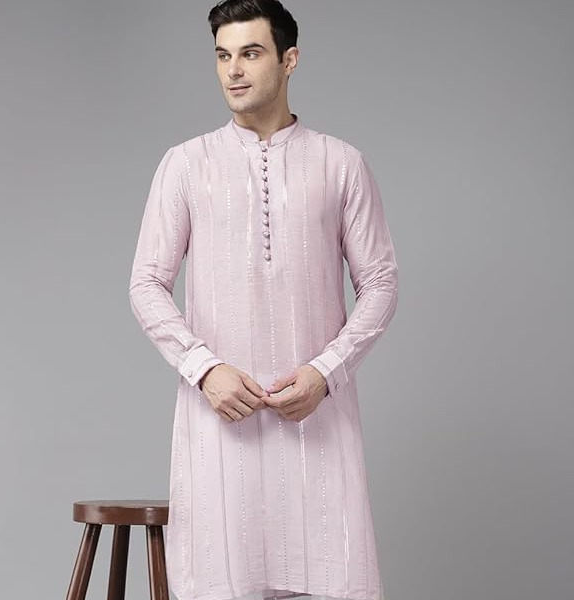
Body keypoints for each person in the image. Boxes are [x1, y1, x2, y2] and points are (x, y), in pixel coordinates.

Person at [128, 1, 399, 600]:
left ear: (289, 59)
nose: (233, 70)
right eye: (223, 56)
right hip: (219, 420)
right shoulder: (185, 164)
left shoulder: (341, 163)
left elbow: (380, 282)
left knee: (332, 577)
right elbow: (146, 283)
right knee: (221, 578)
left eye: (250, 53)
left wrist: (327, 372)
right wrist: (205, 370)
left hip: (319, 420)